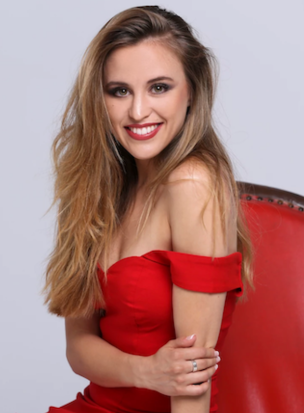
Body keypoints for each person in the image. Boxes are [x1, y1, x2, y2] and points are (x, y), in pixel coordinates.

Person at [41, 5, 254, 413]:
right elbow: (78, 348)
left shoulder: (194, 184)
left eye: (159, 87)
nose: (138, 111)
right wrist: (145, 371)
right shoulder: (93, 190)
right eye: (119, 91)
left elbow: (190, 380)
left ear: (192, 91)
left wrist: (160, 375)